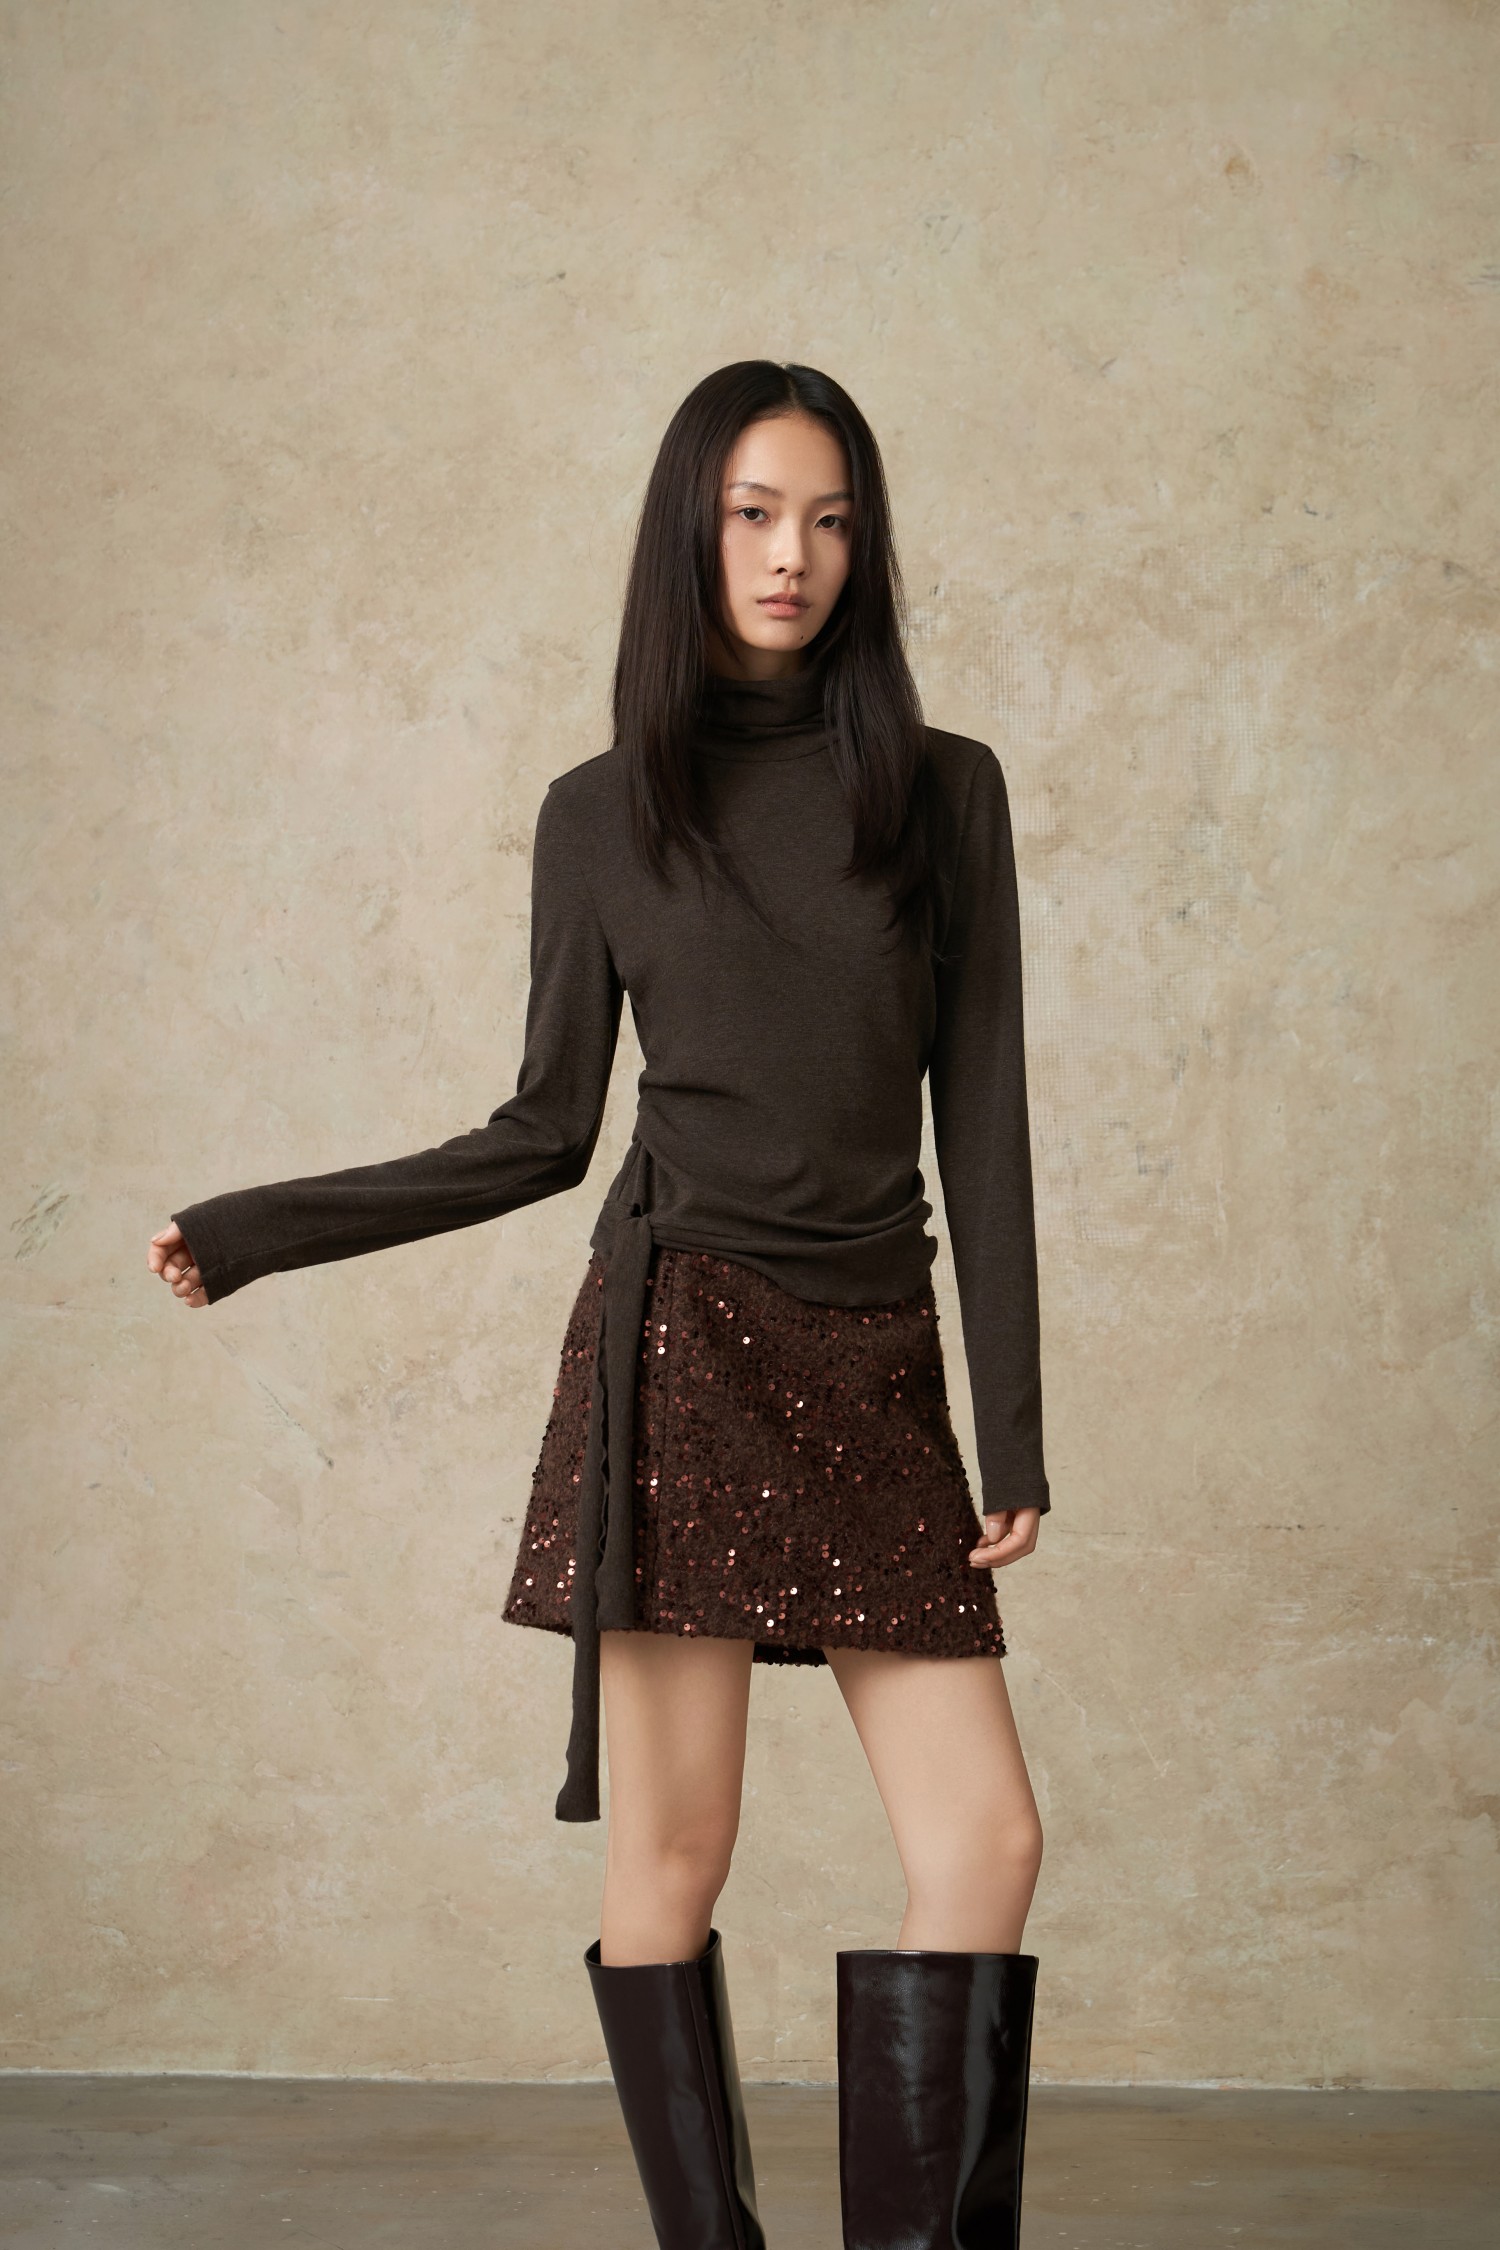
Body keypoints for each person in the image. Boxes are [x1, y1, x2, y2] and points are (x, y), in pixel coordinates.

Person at [149, 361, 1050, 2250]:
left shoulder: (941, 792)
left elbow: (985, 1122)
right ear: (687, 534)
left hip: (879, 1360)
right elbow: (543, 1131)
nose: (792, 555)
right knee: (672, 1854)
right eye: (752, 514)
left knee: (985, 1842)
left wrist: (1015, 1430)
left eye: (829, 520)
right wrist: (255, 1228)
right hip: (687, 1354)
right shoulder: (603, 814)